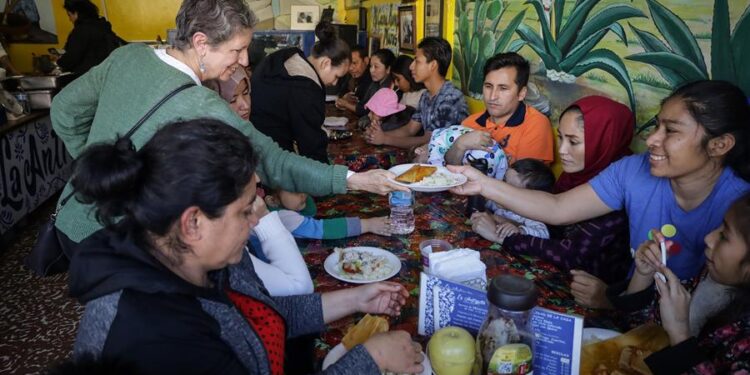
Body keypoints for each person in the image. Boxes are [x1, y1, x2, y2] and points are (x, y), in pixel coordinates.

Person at [68, 119, 424, 374]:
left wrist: (354, 299)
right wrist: (371, 361)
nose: (256, 221)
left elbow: (256, 315)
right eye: (245, 211)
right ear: (193, 223)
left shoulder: (203, 258)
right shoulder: (153, 338)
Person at [51, 0, 402, 252]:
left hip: (72, 216)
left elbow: (64, 110)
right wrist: (354, 179)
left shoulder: (127, 56)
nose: (245, 60)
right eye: (238, 50)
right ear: (201, 43)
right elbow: (274, 162)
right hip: (116, 239)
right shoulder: (203, 104)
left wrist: (102, 171)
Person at [449, 81, 750, 307]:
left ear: (719, 145)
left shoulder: (739, 204)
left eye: (671, 131)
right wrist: (481, 183)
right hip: (633, 308)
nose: (652, 140)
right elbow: (557, 207)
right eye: (656, 125)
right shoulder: (633, 171)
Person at [608, 193, 750, 373]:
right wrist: (644, 274)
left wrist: (679, 333)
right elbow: (638, 332)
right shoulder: (708, 280)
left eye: (724, 236)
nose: (708, 238)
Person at [251, 21, 350, 163]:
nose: (334, 83)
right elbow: (312, 148)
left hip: (254, 142)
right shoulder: (306, 88)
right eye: (337, 77)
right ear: (325, 63)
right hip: (271, 157)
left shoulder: (289, 55)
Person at [446, 52, 553, 166]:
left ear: (521, 93)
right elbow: (448, 171)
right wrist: (460, 144)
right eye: (488, 86)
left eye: (503, 88)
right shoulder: (469, 122)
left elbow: (526, 182)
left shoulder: (535, 124)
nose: (492, 97)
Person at [365, 37, 468, 149]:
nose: (411, 66)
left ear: (433, 65)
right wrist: (375, 135)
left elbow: (430, 140)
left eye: (417, 61)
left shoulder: (450, 98)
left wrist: (385, 139)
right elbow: (410, 129)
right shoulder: (426, 96)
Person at [476, 158, 556, 241]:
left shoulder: (531, 215)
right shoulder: (497, 201)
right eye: (504, 180)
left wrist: (520, 231)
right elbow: (486, 204)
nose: (503, 189)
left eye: (512, 190)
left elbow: (543, 234)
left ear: (532, 201)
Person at [55, 0, 124, 75]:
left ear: (76, 13)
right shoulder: (103, 26)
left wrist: (59, 62)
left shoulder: (81, 30)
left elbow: (72, 57)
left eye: (69, 15)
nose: (70, 19)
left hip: (89, 76)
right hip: (107, 73)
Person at [349, 48, 396, 118]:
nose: (371, 70)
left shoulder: (389, 88)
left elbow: (365, 111)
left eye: (376, 67)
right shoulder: (375, 83)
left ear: (388, 69)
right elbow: (363, 104)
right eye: (371, 66)